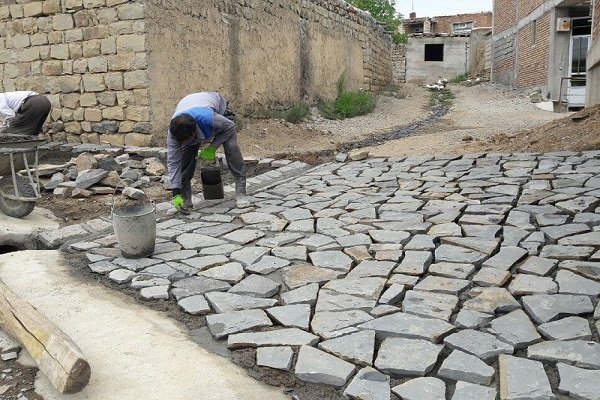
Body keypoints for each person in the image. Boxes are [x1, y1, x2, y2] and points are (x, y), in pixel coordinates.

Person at [167, 92, 249, 213]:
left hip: (217, 107)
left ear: (194, 132)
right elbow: (173, 162)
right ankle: (185, 200)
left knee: (232, 148)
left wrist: (212, 147)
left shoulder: (210, 119)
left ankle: (241, 192)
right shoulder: (173, 133)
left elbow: (230, 127)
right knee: (185, 159)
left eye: (187, 140)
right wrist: (175, 193)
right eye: (181, 142)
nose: (184, 143)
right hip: (191, 104)